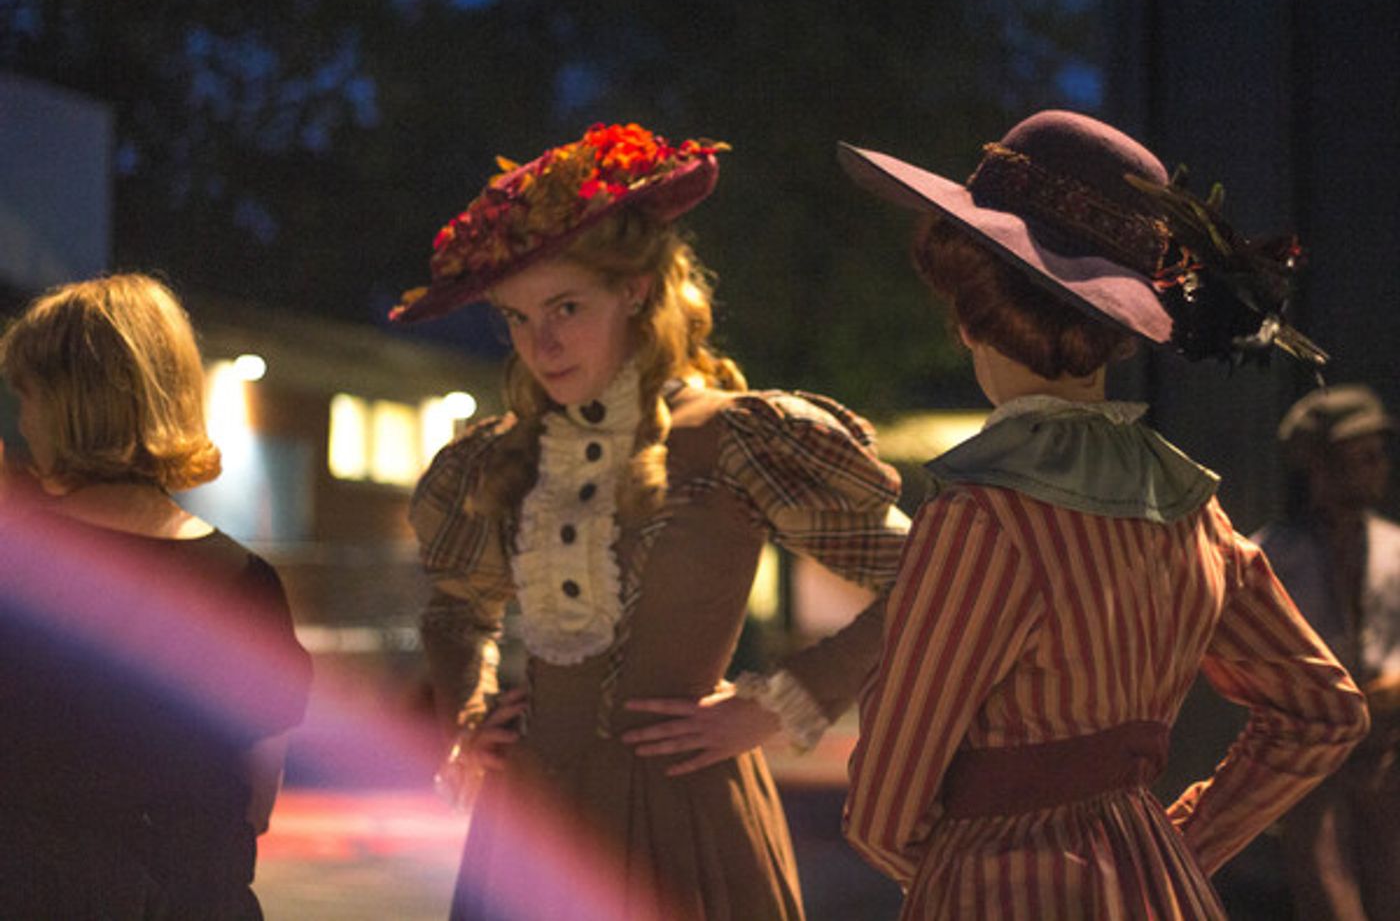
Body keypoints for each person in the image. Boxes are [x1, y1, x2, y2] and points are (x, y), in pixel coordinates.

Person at [838, 110, 1370, 919]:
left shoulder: (983, 517)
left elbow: (884, 806)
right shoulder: (1195, 510)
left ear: (976, 307)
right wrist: (1170, 846)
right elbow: (1325, 711)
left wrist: (962, 865)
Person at [392, 122, 908, 921]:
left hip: (686, 822)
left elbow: (925, 576)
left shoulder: (732, 437)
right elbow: (458, 606)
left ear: (634, 290)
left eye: (566, 306)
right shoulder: (497, 458)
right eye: (519, 317)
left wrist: (779, 702)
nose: (543, 342)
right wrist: (467, 708)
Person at [0, 273, 312, 920]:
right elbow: (257, 797)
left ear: (66, 405)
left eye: (26, 398)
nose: (22, 422)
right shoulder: (246, 580)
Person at [1252, 384, 1400, 919]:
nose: (1377, 465)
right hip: (1313, 765)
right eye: (1359, 456)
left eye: (1378, 453)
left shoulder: (1394, 548)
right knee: (1329, 898)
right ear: (1318, 465)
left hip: (1388, 759)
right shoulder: (1268, 559)